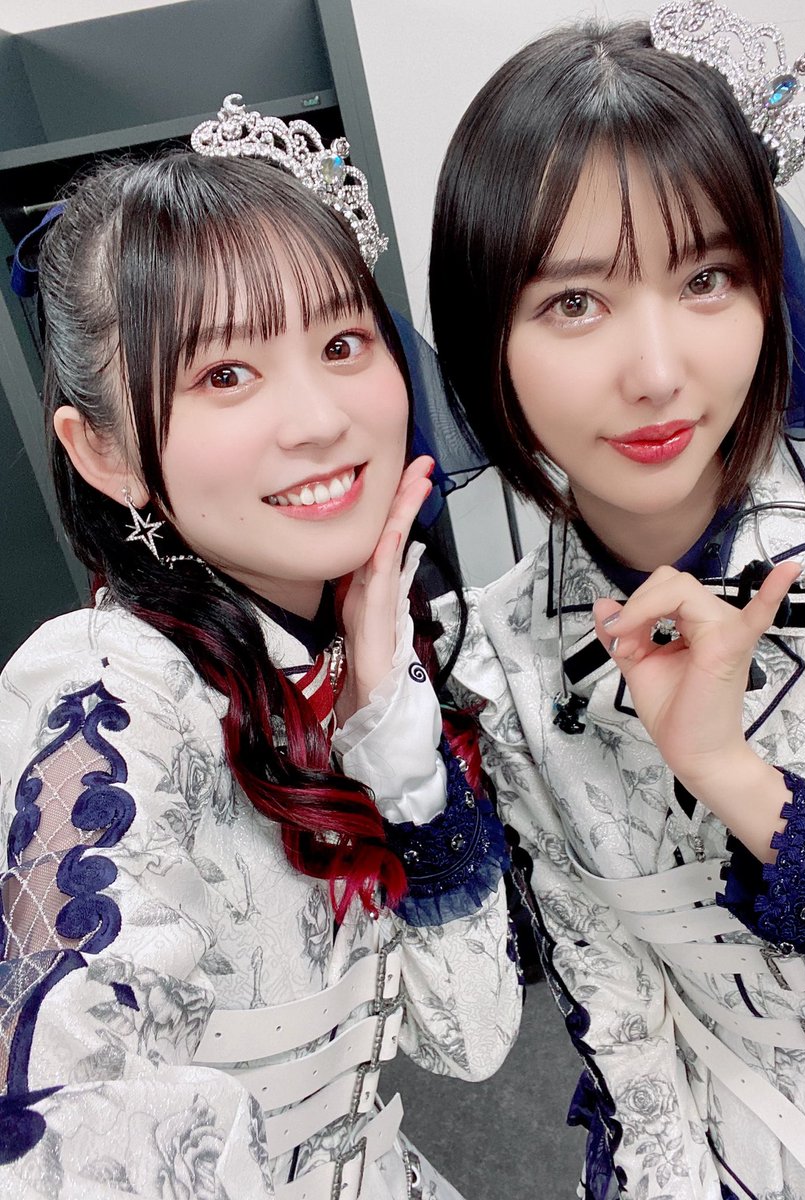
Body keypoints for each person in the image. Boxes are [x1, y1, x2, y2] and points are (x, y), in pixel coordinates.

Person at [0, 96, 519, 1199]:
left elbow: (471, 1039)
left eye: (341, 343)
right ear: (105, 454)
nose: (320, 418)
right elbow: (57, 1132)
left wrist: (403, 756)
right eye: (224, 374)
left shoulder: (354, 655)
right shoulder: (109, 694)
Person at [429, 3, 805, 1198]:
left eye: (706, 278)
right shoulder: (497, 659)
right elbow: (615, 1006)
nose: (655, 372)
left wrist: (733, 775)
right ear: (487, 340)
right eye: (574, 303)